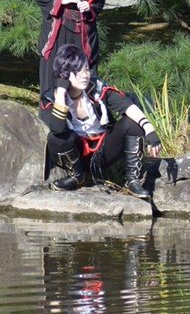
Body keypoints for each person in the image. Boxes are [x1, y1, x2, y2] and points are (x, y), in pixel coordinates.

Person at [39, 43, 161, 198]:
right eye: (77, 71)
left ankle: (132, 181)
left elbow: (127, 106)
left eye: (86, 69)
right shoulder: (51, 97)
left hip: (103, 151)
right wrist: (62, 92)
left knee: (132, 123)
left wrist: (149, 129)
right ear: (64, 74)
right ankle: (76, 177)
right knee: (56, 137)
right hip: (76, 154)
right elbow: (57, 128)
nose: (84, 75)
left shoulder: (97, 87)